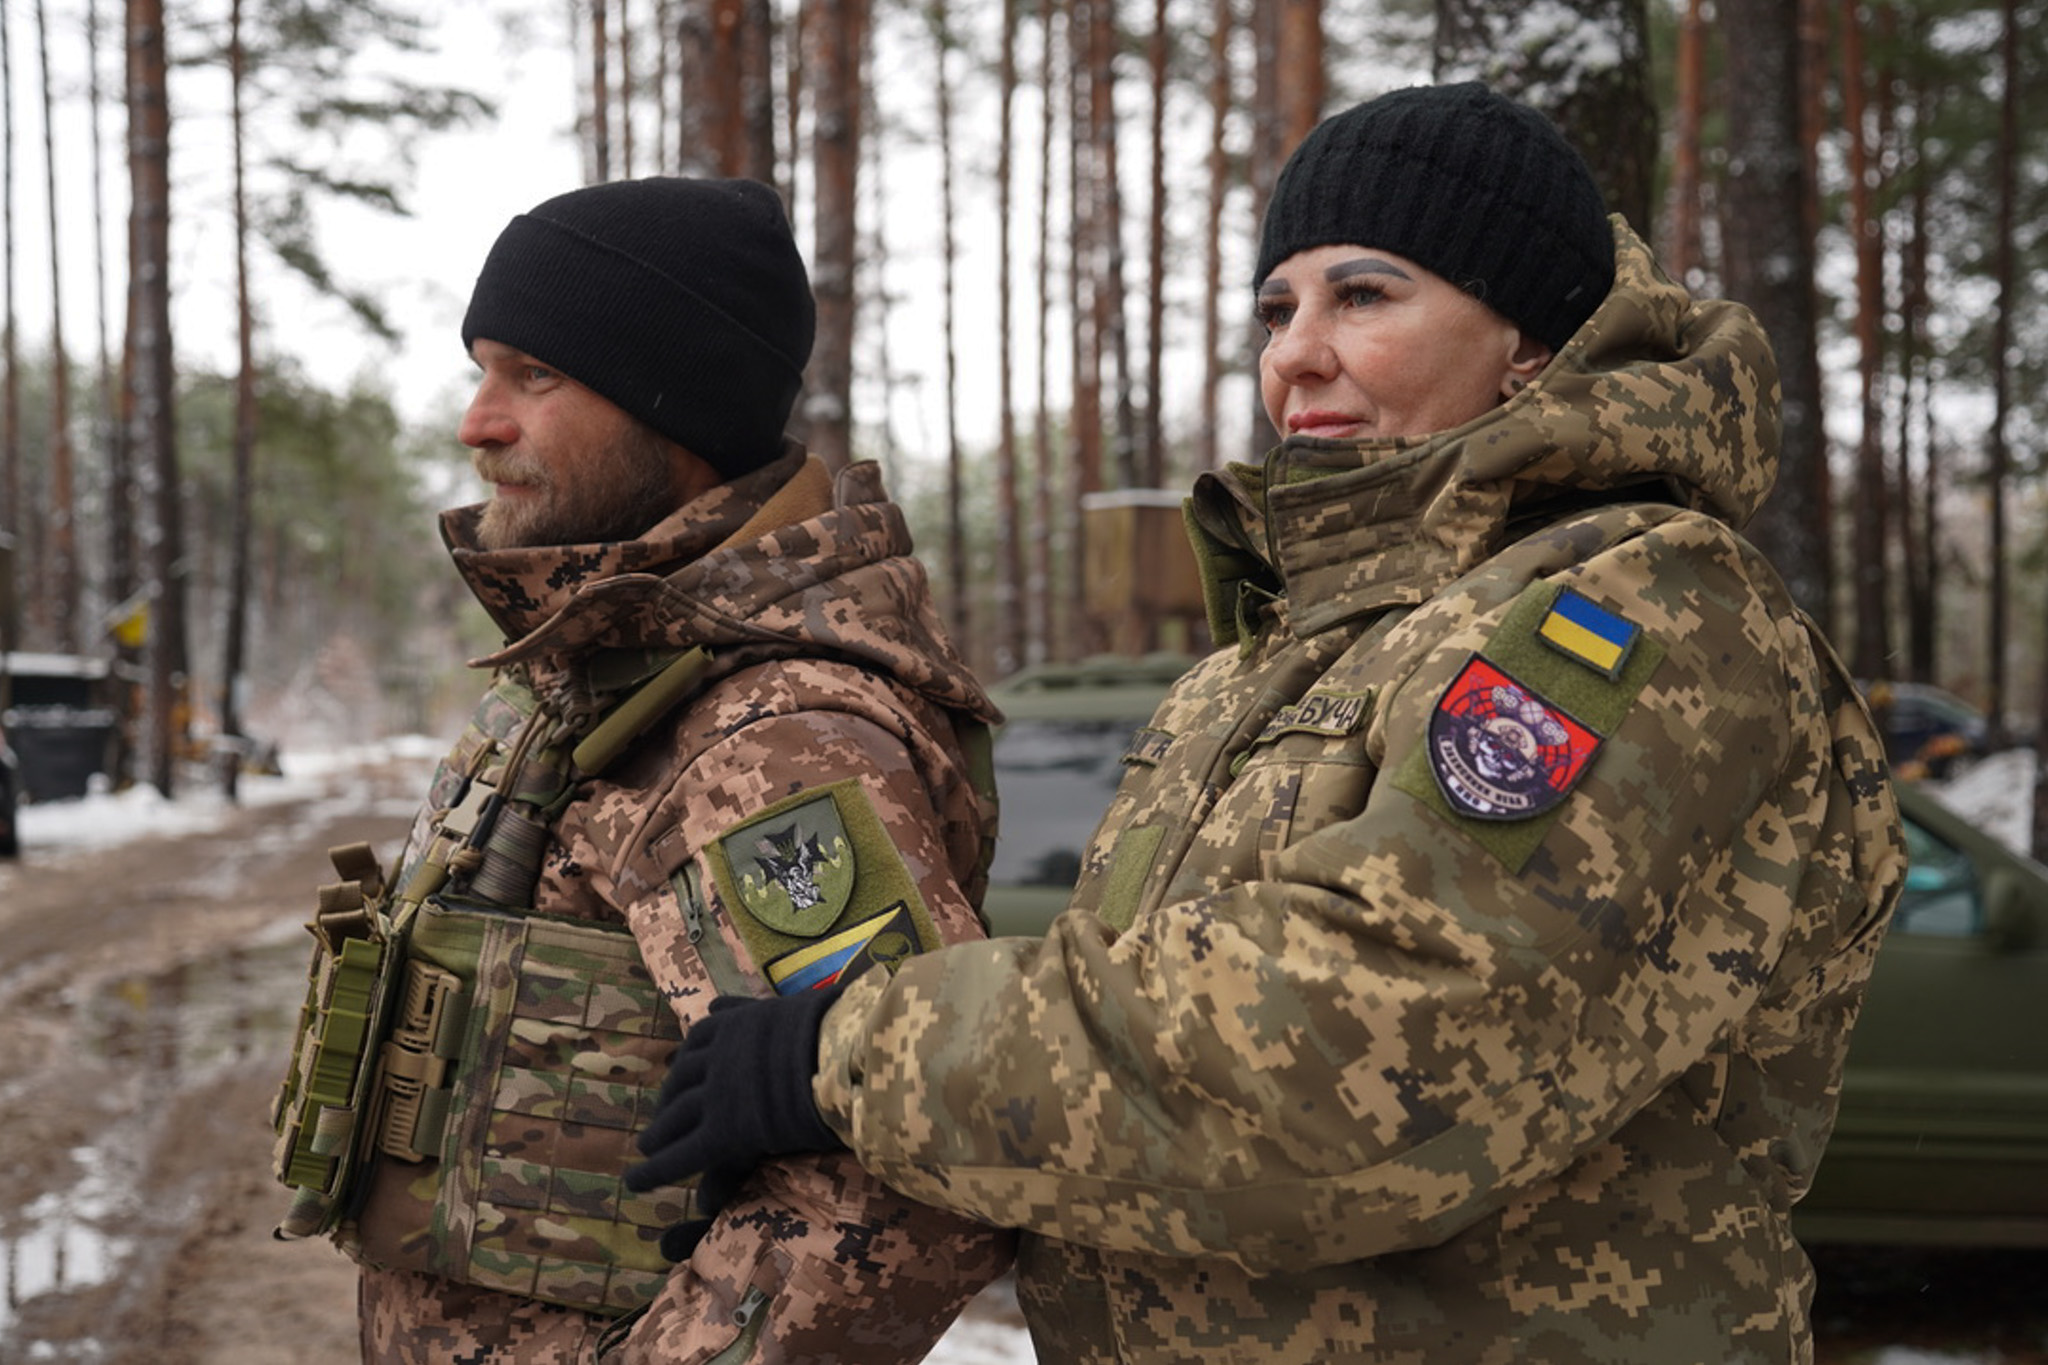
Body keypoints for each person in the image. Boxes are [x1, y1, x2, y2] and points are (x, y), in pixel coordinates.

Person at [624, 83, 1906, 1363]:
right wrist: (817, 1174)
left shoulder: (1637, 609)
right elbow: (1145, 1078)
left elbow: (1370, 1049)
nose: (1293, 352)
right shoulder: (1263, 663)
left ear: (1529, 338)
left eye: (1363, 295)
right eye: (1273, 309)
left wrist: (846, 1060)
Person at [268, 176, 1012, 1362]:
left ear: (678, 407)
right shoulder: (602, 675)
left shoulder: (768, 741)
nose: (477, 421)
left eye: (535, 375)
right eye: (483, 368)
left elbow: (902, 1188)